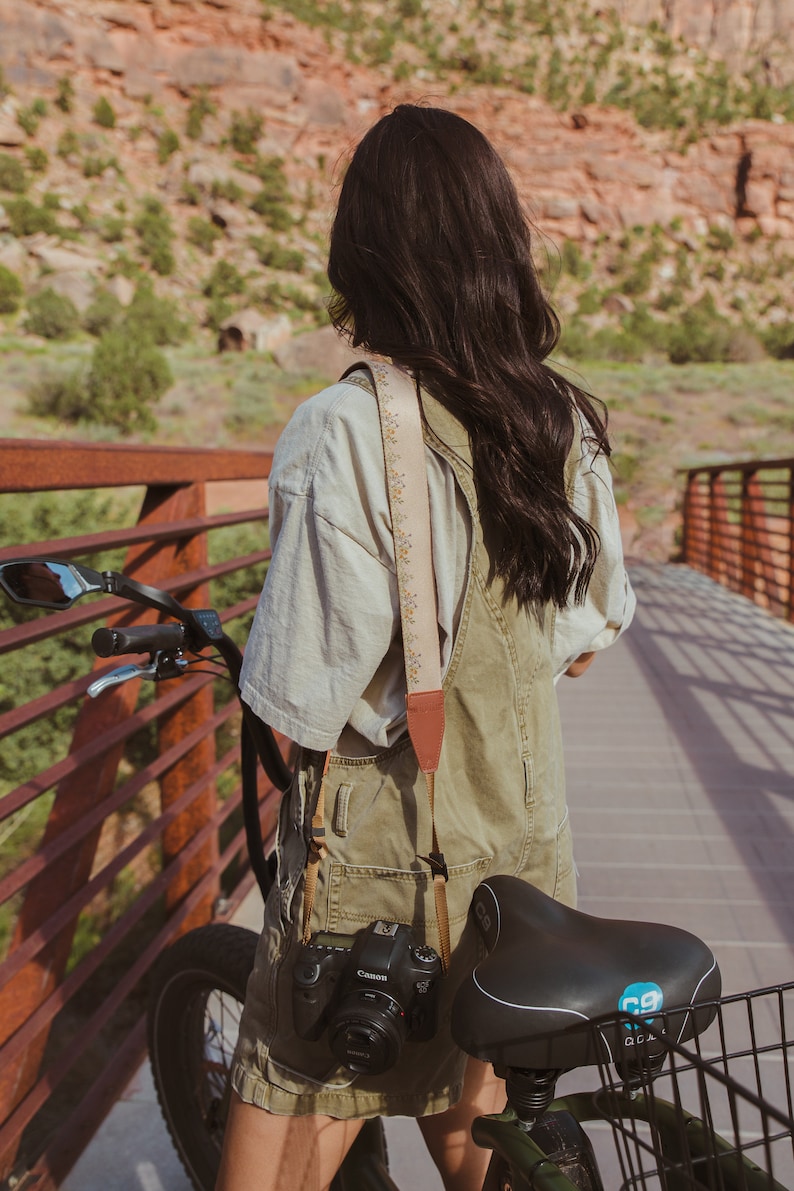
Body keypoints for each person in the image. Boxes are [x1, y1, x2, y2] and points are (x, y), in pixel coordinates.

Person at [216, 103, 635, 1191]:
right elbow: (583, 645)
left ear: (364, 252)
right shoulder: (561, 424)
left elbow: (297, 707)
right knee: (477, 1106)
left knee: (288, 1113)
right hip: (523, 859)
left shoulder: (346, 428)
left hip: (378, 874)